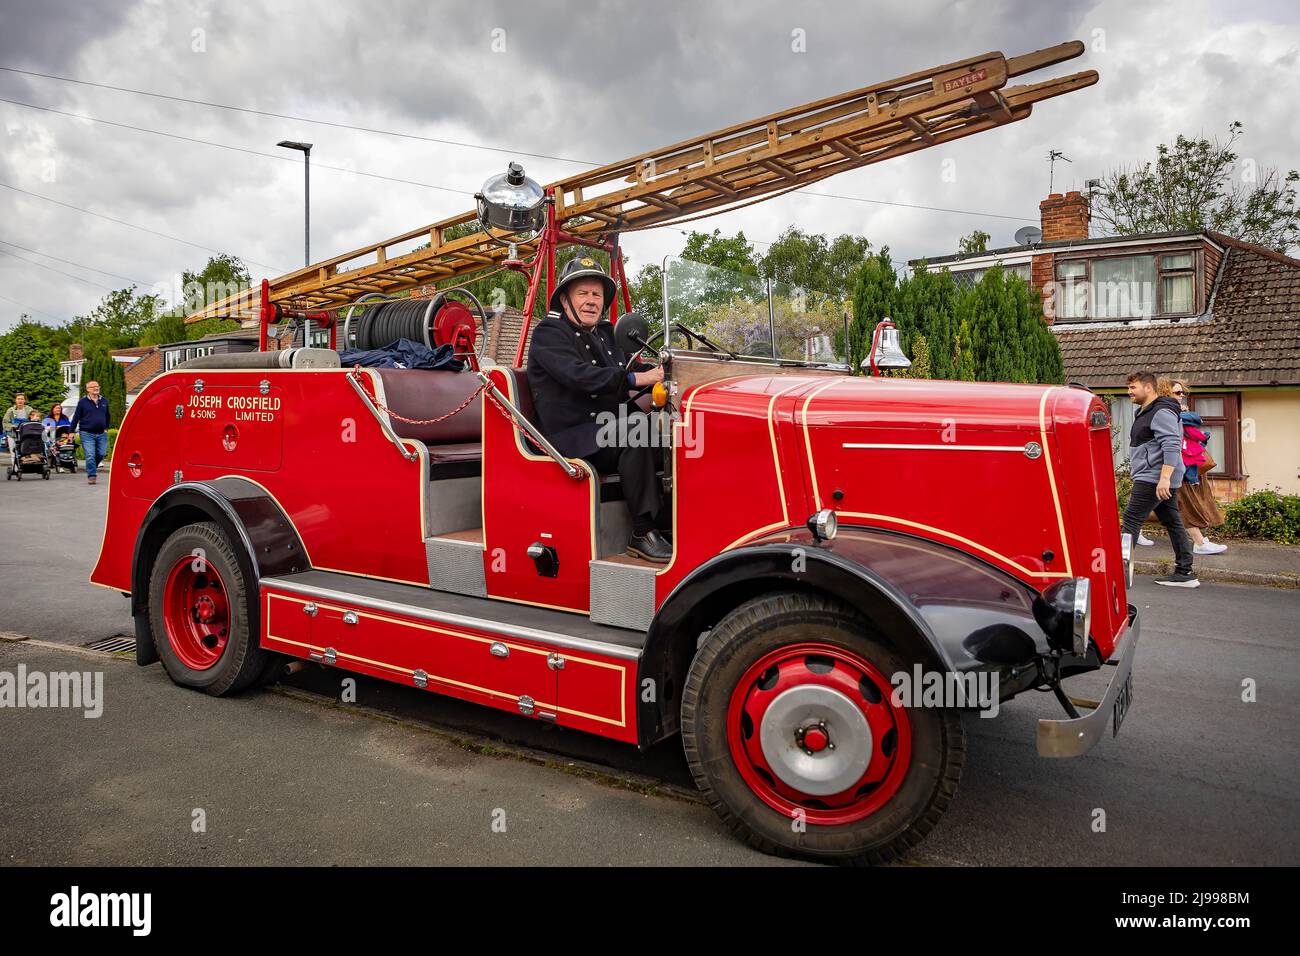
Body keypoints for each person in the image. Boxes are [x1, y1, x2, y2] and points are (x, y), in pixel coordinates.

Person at [527, 257, 671, 562]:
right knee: (636, 430)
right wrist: (637, 378)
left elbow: (630, 367)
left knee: (673, 429)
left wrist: (665, 370)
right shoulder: (548, 334)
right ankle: (642, 531)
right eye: (583, 293)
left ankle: (673, 519)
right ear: (565, 299)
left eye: (597, 294)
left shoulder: (605, 334)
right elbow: (580, 376)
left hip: (607, 429)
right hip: (572, 436)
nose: (591, 301)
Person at [1120, 371, 1198, 587]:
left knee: (1131, 520)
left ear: (1148, 388)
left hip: (1153, 477)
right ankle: (1185, 572)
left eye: (1133, 388)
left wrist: (1164, 478)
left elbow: (1171, 444)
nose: (1129, 392)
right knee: (1172, 521)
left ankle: (1117, 573)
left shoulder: (1161, 411)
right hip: (1157, 475)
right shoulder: (1146, 411)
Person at [1168, 379, 1227, 554]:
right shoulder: (1167, 413)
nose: (1181, 396)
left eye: (1182, 393)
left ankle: (1132, 532)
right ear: (1166, 393)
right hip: (1178, 467)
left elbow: (1195, 424)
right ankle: (1199, 543)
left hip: (1186, 465)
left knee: (1160, 506)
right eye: (1177, 393)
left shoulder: (1176, 412)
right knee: (1185, 505)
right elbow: (1194, 420)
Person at [70, 380, 111, 485]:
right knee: (90, 455)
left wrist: (106, 428)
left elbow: (107, 416)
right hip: (87, 433)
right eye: (93, 387)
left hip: (102, 433)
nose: (96, 388)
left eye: (97, 386)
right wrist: (71, 432)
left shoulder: (104, 401)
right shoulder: (82, 402)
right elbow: (76, 417)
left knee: (102, 453)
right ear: (88, 389)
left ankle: (91, 467)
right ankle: (92, 475)